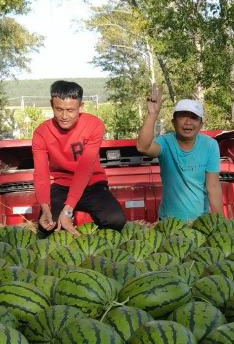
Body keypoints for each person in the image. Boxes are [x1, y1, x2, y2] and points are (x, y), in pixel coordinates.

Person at [32, 80, 126, 236]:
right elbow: (41, 174)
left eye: (70, 110)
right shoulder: (41, 132)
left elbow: (85, 169)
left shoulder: (94, 125)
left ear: (81, 107)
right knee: (48, 227)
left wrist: (68, 210)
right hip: (61, 186)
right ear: (51, 104)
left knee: (115, 220)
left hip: (92, 183)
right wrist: (45, 207)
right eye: (59, 109)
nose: (64, 116)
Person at [136, 88, 223, 221]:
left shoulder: (210, 145)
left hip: (200, 222)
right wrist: (152, 114)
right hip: (168, 222)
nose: (188, 122)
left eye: (194, 118)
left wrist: (220, 221)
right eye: (182, 116)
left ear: (201, 125)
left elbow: (213, 186)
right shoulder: (165, 142)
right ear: (173, 122)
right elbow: (143, 147)